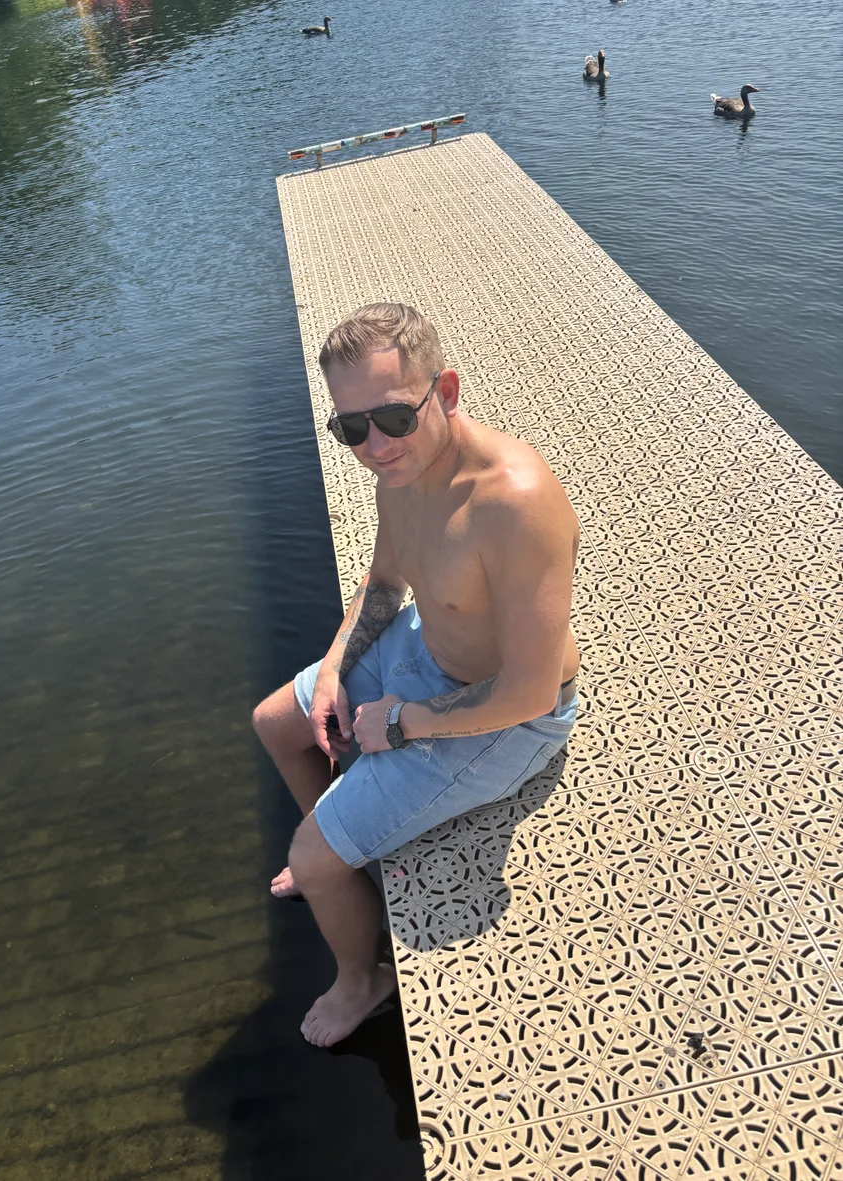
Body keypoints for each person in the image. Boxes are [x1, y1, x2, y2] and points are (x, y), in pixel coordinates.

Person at [252, 303, 580, 1047]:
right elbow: (384, 584)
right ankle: (337, 857)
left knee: (310, 857)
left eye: (395, 417)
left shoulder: (515, 503)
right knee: (278, 722)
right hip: (427, 649)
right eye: (352, 428)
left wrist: (402, 723)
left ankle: (362, 978)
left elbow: (531, 690)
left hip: (512, 713)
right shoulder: (398, 469)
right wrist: (334, 671)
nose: (374, 445)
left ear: (447, 391)